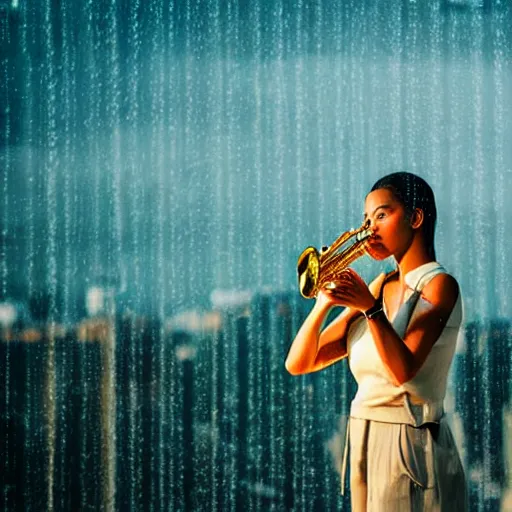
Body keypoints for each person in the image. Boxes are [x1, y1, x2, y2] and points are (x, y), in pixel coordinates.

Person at [285, 172, 467, 511]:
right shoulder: (378, 286)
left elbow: (404, 370)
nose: (368, 229)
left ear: (415, 218)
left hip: (411, 442)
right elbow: (299, 363)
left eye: (381, 215)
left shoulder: (439, 285)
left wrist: (369, 309)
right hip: (363, 438)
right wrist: (323, 304)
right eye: (366, 219)